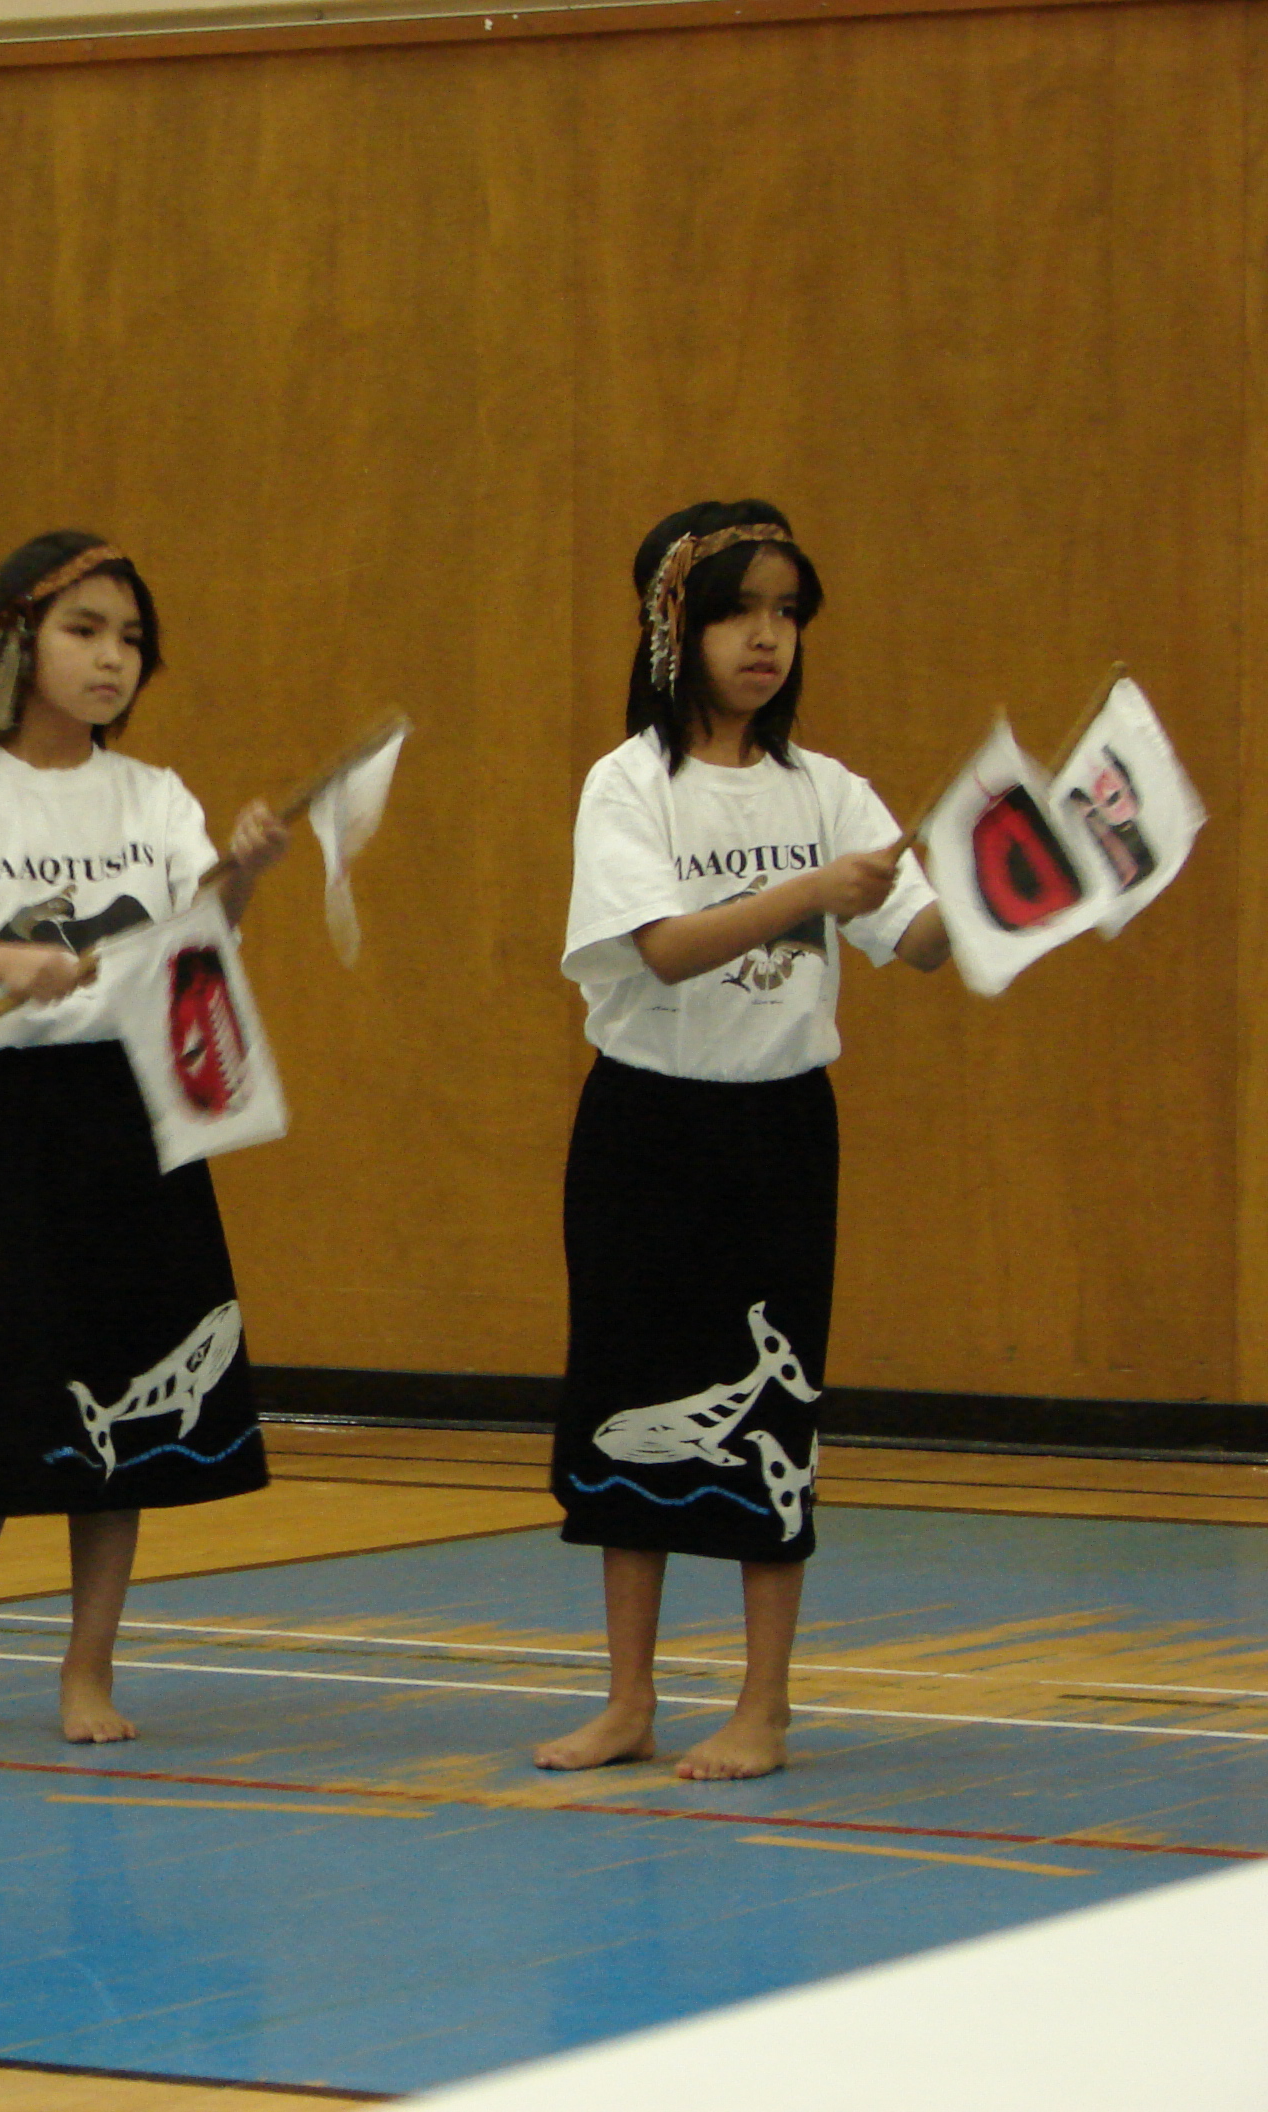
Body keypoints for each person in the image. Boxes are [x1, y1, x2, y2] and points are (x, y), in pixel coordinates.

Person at [0, 531, 285, 1746]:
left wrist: (238, 875)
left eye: (129, 638)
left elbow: (198, 945)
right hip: (9, 1113)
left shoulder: (153, 797)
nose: (110, 658)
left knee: (127, 1382)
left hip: (136, 1103)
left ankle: (89, 1666)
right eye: (84, 630)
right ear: (15, 640)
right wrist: (3, 960)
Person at [536, 499, 950, 1783]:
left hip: (777, 1132)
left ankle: (762, 1702)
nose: (764, 637)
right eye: (736, 611)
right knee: (626, 1394)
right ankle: (628, 1698)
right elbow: (657, 951)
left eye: (784, 613)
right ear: (676, 629)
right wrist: (808, 893)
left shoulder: (827, 790)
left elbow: (924, 939)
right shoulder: (627, 784)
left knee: (773, 1403)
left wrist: (1015, 877)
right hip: (643, 1124)